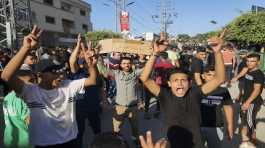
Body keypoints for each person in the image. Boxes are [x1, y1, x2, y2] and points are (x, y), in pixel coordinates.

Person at [1, 26, 97, 147]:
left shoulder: (68, 86)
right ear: (41, 74)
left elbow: (92, 80)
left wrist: (92, 66)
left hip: (71, 142)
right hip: (44, 144)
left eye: (61, 71)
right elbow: (6, 76)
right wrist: (25, 48)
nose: (60, 76)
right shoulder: (30, 91)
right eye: (54, 72)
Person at [140, 30, 226, 148]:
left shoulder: (195, 92)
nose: (180, 83)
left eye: (184, 80)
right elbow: (144, 78)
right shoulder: (165, 94)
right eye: (175, 80)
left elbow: (220, 79)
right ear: (169, 83)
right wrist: (155, 54)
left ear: (190, 83)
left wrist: (217, 52)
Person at [97, 55, 142, 146]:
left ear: (131, 64)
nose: (126, 65)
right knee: (116, 129)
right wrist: (98, 56)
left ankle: (135, 139)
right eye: (124, 63)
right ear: (120, 65)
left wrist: (153, 55)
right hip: (119, 107)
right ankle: (117, 143)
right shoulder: (116, 73)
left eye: (129, 63)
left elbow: (147, 69)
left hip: (133, 107)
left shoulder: (135, 73)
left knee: (135, 127)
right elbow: (102, 69)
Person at [69, 34, 103, 148]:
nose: (87, 55)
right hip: (79, 106)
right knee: (79, 133)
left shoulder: (94, 70)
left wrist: (104, 101)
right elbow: (72, 62)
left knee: (97, 130)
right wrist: (79, 45)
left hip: (93, 105)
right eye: (83, 53)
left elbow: (100, 86)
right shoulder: (77, 69)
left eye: (90, 54)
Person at [200, 65, 234, 148]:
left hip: (216, 126)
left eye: (214, 75)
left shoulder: (223, 91)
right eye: (209, 75)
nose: (212, 78)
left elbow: (228, 108)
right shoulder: (196, 90)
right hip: (197, 126)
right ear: (203, 76)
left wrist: (230, 126)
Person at [239, 53, 264, 147]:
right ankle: (249, 139)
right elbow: (247, 86)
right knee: (246, 121)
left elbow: (257, 90)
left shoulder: (259, 74)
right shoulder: (249, 71)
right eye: (248, 61)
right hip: (246, 100)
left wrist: (247, 103)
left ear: (258, 62)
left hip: (252, 102)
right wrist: (240, 95)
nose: (249, 63)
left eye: (252, 61)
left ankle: (253, 141)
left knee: (249, 123)